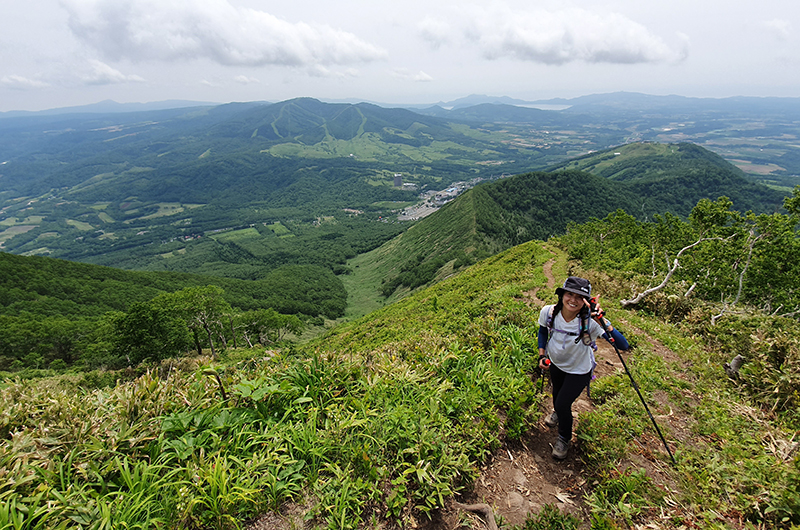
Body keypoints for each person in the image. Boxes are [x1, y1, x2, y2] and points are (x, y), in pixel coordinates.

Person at [537, 276, 629, 460]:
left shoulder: (591, 322)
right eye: (569, 294)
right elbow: (543, 331)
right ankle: (557, 412)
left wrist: (603, 320)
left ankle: (564, 437)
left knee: (563, 403)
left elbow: (622, 345)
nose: (573, 300)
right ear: (562, 295)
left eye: (579, 297)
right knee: (557, 395)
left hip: (579, 370)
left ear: (586, 301)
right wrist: (542, 355)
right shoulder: (548, 312)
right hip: (556, 363)